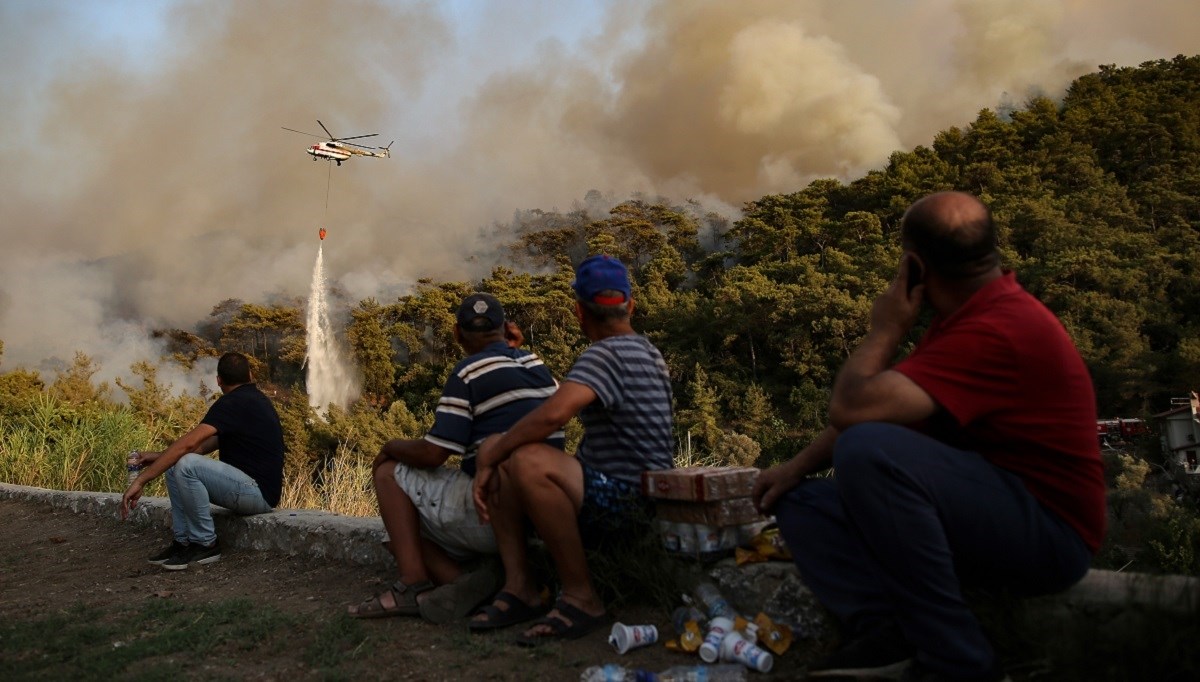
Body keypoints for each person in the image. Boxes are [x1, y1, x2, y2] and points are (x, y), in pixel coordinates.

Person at [752, 192, 1105, 681]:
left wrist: (885, 329)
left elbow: (853, 409)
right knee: (803, 504)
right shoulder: (965, 318)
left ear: (914, 265)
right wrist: (790, 471)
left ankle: (958, 661)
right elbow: (880, 415)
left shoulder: (998, 328)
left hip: (1048, 535)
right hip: (987, 515)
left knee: (867, 450)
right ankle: (887, 633)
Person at [470, 254, 675, 645]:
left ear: (579, 312)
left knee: (523, 459)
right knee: (505, 450)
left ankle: (582, 598)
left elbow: (553, 416)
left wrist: (490, 456)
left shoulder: (605, 354)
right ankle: (520, 589)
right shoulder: (647, 350)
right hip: (631, 492)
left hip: (628, 500)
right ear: (630, 305)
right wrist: (497, 451)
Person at [347, 293, 563, 622]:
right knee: (401, 526)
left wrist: (390, 446)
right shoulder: (536, 365)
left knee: (390, 477)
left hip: (494, 513)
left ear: (457, 334)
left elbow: (435, 453)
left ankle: (411, 585)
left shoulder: (467, 374)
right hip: (544, 512)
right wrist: (514, 349)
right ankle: (472, 584)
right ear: (506, 328)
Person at [121, 351, 284, 571]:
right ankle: (183, 541)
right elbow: (203, 447)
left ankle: (205, 543)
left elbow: (189, 444)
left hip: (258, 495)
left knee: (186, 464)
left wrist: (141, 480)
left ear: (218, 381)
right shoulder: (254, 400)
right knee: (175, 465)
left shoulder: (233, 404)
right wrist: (157, 457)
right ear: (250, 374)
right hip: (248, 490)